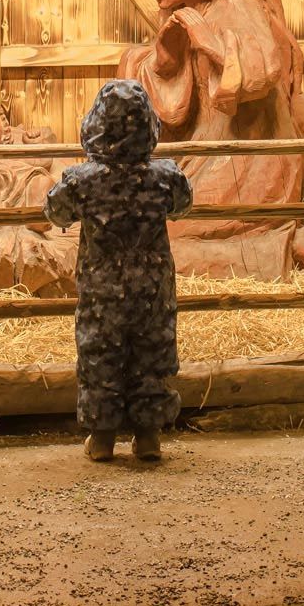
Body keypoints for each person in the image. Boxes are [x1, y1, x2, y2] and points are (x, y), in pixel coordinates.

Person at [119, 0, 304, 280]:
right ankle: (281, 246)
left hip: (252, 161)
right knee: (138, 224)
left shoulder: (236, 4)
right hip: (207, 154)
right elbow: (172, 110)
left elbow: (262, 68)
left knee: (155, 233)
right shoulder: (181, 14)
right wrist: (162, 57)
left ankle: (284, 248)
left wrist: (211, 44)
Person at [47, 80, 191, 462]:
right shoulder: (165, 176)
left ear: (96, 124)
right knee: (152, 354)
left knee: (100, 358)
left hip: (102, 290)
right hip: (153, 289)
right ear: (148, 125)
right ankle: (148, 438)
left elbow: (56, 212)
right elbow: (182, 205)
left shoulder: (82, 181)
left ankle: (102, 440)